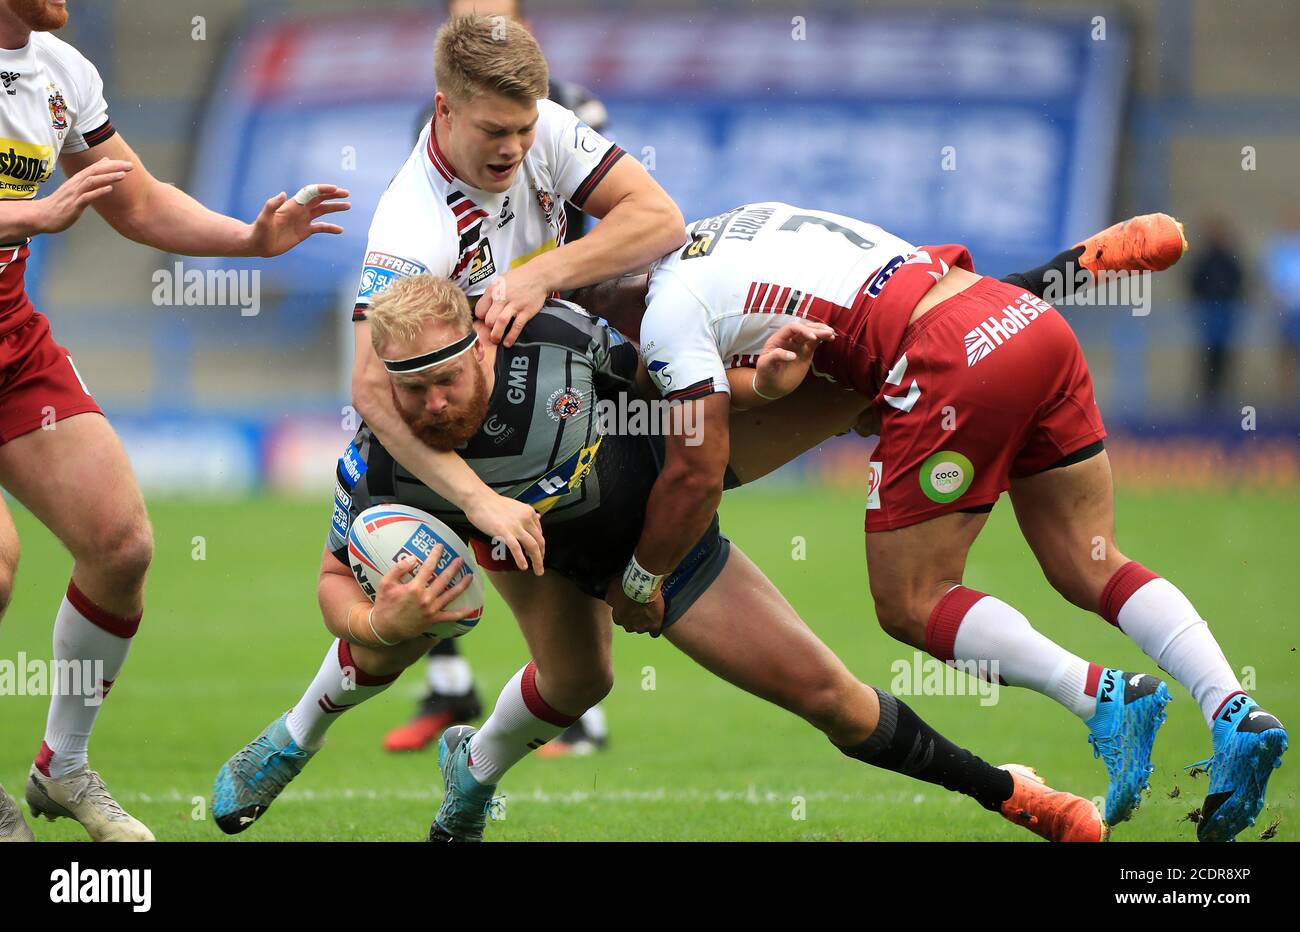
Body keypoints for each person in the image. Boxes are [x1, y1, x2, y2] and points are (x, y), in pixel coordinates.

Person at [212, 274, 1105, 843]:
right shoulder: (384, 453)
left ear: (485, 343)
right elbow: (334, 578)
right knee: (416, 639)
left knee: (830, 700)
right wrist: (376, 619)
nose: (436, 405)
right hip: (533, 555)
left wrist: (759, 390)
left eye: (450, 379)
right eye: (413, 391)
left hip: (654, 531)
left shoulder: (557, 342)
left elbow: (667, 387)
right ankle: (294, 739)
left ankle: (1012, 797)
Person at [609, 201, 1285, 842]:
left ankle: (1102, 696)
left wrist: (641, 582)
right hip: (1022, 318)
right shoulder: (735, 226)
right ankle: (1232, 709)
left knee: (911, 599)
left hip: (947, 358)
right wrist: (1082, 266)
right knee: (1093, 562)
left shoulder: (670, 311)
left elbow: (702, 465)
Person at [0, 0, 349, 842]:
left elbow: (138, 199)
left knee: (121, 544)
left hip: (10, 340)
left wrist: (251, 241)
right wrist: (29, 216)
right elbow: (45, 209)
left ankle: (63, 767)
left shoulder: (60, 71)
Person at [384, 0, 611, 757]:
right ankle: (447, 688)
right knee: (423, 522)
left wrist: (549, 283)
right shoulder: (430, 150)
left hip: (550, 342)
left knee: (558, 522)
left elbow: (620, 214)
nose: (511, 143)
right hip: (465, 355)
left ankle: (577, 708)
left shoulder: (559, 109)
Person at [1187, 215, 1244, 406]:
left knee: (1223, 357)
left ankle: (1222, 397)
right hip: (1209, 313)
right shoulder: (1206, 259)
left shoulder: (1228, 258)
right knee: (1209, 357)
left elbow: (1239, 280)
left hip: (1224, 312)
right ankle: (1209, 398)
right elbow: (1193, 282)